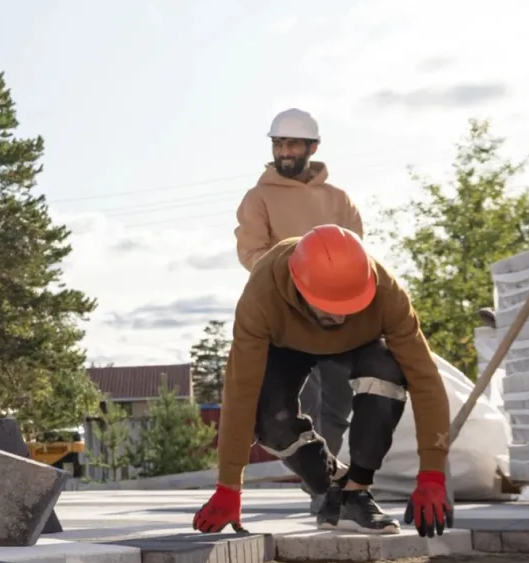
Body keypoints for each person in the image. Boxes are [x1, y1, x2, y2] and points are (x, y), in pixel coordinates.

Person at [192, 225, 455, 538]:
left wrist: (432, 475)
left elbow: (425, 381)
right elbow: (240, 391)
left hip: (360, 345)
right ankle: (334, 486)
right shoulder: (261, 297)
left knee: (386, 369)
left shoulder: (388, 293)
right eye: (331, 309)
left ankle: (356, 494)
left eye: (350, 307)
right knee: (270, 420)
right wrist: (229, 487)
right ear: (299, 288)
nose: (341, 318)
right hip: (286, 345)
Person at [233, 107, 366, 480]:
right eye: (278, 144)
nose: (284, 151)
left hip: (336, 315)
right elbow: (253, 254)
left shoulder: (339, 199)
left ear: (312, 147)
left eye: (292, 144)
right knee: (296, 406)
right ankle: (321, 486)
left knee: (338, 405)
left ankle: (328, 481)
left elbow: (357, 253)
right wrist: (299, 285)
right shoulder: (258, 198)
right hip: (287, 315)